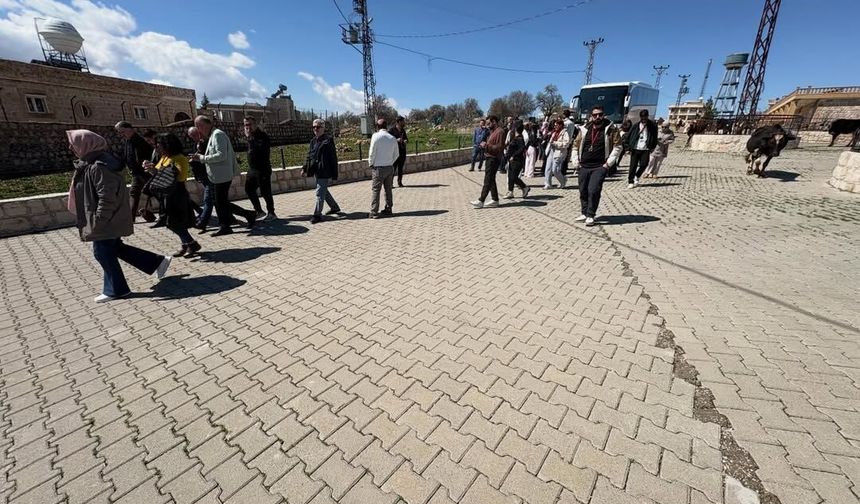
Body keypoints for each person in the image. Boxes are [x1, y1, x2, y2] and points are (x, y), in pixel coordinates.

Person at [67, 129, 171, 303]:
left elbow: (107, 196)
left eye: (74, 144)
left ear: (87, 144)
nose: (71, 148)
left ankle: (117, 290)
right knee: (114, 248)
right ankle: (157, 262)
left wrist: (99, 221)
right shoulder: (93, 164)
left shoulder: (99, 166)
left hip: (105, 219)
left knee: (102, 253)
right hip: (107, 218)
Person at [190, 115, 256, 236]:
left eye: (198, 126)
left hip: (222, 175)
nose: (198, 129)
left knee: (220, 201)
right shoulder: (212, 135)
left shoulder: (217, 135)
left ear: (206, 124)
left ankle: (228, 224)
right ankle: (243, 217)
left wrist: (202, 158)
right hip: (218, 175)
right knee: (220, 202)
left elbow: (221, 155)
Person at [149, 133, 201, 257]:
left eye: (159, 144)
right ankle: (186, 244)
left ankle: (191, 243)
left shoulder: (179, 158)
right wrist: (151, 169)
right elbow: (158, 175)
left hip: (177, 193)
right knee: (173, 222)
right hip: (167, 194)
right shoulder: (165, 157)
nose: (156, 147)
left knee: (173, 223)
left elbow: (180, 177)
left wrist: (162, 172)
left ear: (167, 145)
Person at [573, 105, 622, 226]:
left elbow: (618, 146)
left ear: (603, 115)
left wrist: (608, 164)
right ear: (591, 116)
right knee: (583, 190)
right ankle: (584, 212)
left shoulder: (611, 129)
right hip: (583, 165)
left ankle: (591, 214)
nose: (598, 117)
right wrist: (575, 161)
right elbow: (576, 145)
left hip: (599, 166)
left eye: (600, 114)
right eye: (595, 115)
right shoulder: (584, 129)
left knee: (593, 190)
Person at [302, 118, 341, 224]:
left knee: (320, 192)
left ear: (323, 128)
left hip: (324, 170)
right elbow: (309, 156)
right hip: (316, 170)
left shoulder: (328, 141)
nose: (316, 129)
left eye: (318, 127)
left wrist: (334, 176)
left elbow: (333, 159)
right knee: (324, 191)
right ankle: (335, 207)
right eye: (314, 127)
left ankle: (317, 215)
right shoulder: (313, 141)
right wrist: (304, 168)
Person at [114, 121, 153, 222]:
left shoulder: (140, 141)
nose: (121, 135)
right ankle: (131, 218)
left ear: (130, 129)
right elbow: (126, 156)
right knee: (134, 193)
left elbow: (146, 156)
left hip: (145, 172)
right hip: (137, 173)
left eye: (122, 132)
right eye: (119, 133)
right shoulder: (128, 141)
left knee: (155, 192)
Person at [243, 116, 276, 221]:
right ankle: (259, 211)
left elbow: (261, 151)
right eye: (245, 125)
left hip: (263, 169)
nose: (248, 127)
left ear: (255, 124)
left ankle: (271, 213)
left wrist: (250, 139)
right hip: (252, 169)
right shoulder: (250, 137)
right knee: (249, 189)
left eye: (250, 124)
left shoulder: (262, 136)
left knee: (265, 192)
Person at [470, 115, 505, 209]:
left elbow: (500, 147)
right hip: (489, 157)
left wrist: (487, 146)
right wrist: (484, 145)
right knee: (491, 179)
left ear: (494, 122)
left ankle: (481, 200)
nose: (487, 125)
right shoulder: (492, 132)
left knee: (488, 180)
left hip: (494, 159)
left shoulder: (500, 132)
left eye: (489, 123)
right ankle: (495, 199)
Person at [368, 118, 399, 218]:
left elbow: (372, 152)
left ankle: (374, 212)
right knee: (388, 189)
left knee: (376, 190)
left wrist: (371, 163)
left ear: (377, 126)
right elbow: (396, 154)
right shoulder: (392, 138)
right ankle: (388, 208)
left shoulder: (375, 136)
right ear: (386, 126)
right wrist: (390, 162)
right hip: (389, 167)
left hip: (378, 168)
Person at [187, 127, 215, 233]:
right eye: (191, 136)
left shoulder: (207, 143)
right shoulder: (196, 145)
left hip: (209, 175)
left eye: (195, 135)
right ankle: (246, 214)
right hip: (202, 176)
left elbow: (208, 158)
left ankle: (202, 222)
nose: (194, 138)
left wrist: (196, 159)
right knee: (216, 200)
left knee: (208, 199)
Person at [626, 109, 659, 188]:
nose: (643, 119)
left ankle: (637, 176)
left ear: (647, 116)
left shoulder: (652, 126)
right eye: (642, 117)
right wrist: (627, 147)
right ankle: (631, 181)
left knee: (644, 164)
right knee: (633, 166)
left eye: (645, 117)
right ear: (640, 117)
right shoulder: (636, 126)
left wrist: (652, 147)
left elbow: (655, 137)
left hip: (646, 148)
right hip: (635, 148)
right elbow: (629, 136)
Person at [503, 121, 530, 199]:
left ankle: (525, 187)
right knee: (510, 176)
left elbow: (522, 148)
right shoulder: (515, 138)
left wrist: (513, 156)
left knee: (514, 177)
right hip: (512, 161)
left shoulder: (520, 138)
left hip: (517, 161)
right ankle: (510, 192)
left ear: (515, 129)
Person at [543, 119, 570, 189]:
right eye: (554, 125)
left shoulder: (565, 133)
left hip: (559, 152)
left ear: (560, 125)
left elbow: (566, 144)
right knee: (547, 168)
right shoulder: (554, 132)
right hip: (551, 151)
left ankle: (562, 181)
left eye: (556, 125)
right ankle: (548, 183)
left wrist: (556, 143)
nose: (555, 126)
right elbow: (550, 141)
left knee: (555, 170)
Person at [388, 116, 408, 187]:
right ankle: (390, 183)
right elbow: (388, 140)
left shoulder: (403, 130)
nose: (404, 122)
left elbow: (406, 139)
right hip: (394, 152)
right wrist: (396, 140)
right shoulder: (391, 130)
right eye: (403, 121)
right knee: (393, 168)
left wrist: (405, 141)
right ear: (399, 122)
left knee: (400, 168)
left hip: (402, 152)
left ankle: (400, 182)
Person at [561, 109, 579, 175]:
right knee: (566, 156)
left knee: (562, 156)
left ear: (564, 115)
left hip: (563, 140)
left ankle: (561, 170)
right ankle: (564, 170)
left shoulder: (565, 123)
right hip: (570, 140)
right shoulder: (572, 123)